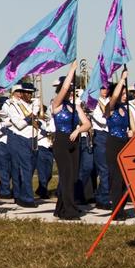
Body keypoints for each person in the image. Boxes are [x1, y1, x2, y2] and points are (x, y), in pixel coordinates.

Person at [50, 61, 90, 221]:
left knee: (73, 177)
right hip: (61, 141)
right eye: (69, 89)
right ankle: (70, 210)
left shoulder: (76, 106)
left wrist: (78, 129)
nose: (71, 92)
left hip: (74, 141)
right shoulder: (56, 104)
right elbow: (65, 88)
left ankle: (60, 208)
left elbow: (87, 124)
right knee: (66, 176)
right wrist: (72, 70)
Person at [102, 70, 132, 220]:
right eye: (123, 92)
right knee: (116, 178)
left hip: (124, 143)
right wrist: (122, 79)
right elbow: (113, 98)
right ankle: (116, 210)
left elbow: (133, 127)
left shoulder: (126, 109)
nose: (125, 95)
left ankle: (122, 207)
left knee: (125, 180)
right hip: (113, 143)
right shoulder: (110, 107)